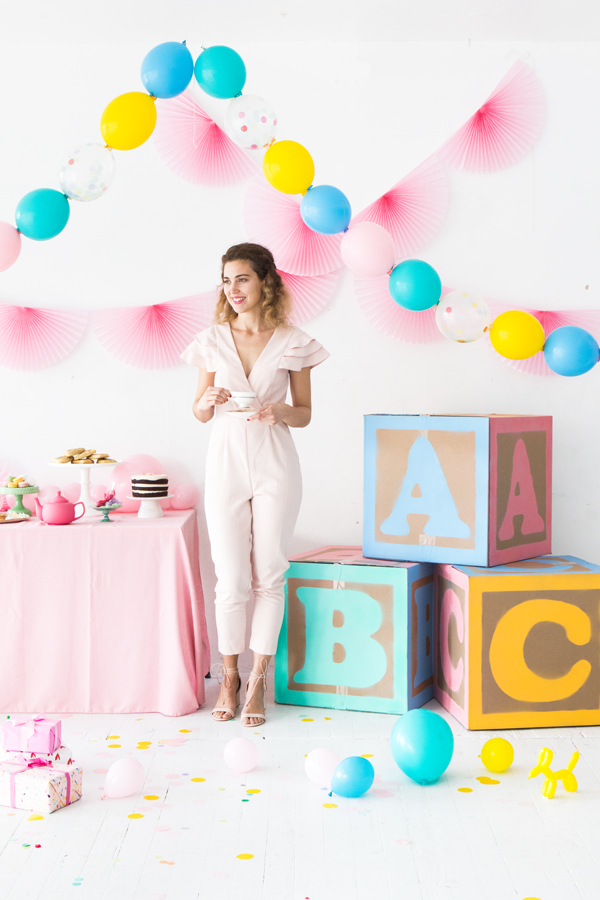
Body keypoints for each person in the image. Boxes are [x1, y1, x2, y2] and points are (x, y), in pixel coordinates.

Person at [181, 243, 329, 726]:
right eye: (226, 280)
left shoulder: (293, 341)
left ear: (265, 280)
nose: (233, 289)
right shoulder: (211, 340)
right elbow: (200, 412)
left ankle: (258, 682)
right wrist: (211, 397)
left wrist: (282, 410)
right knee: (231, 578)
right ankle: (229, 677)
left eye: (242, 278)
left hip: (274, 459)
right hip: (225, 458)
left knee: (269, 573)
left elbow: (304, 414)